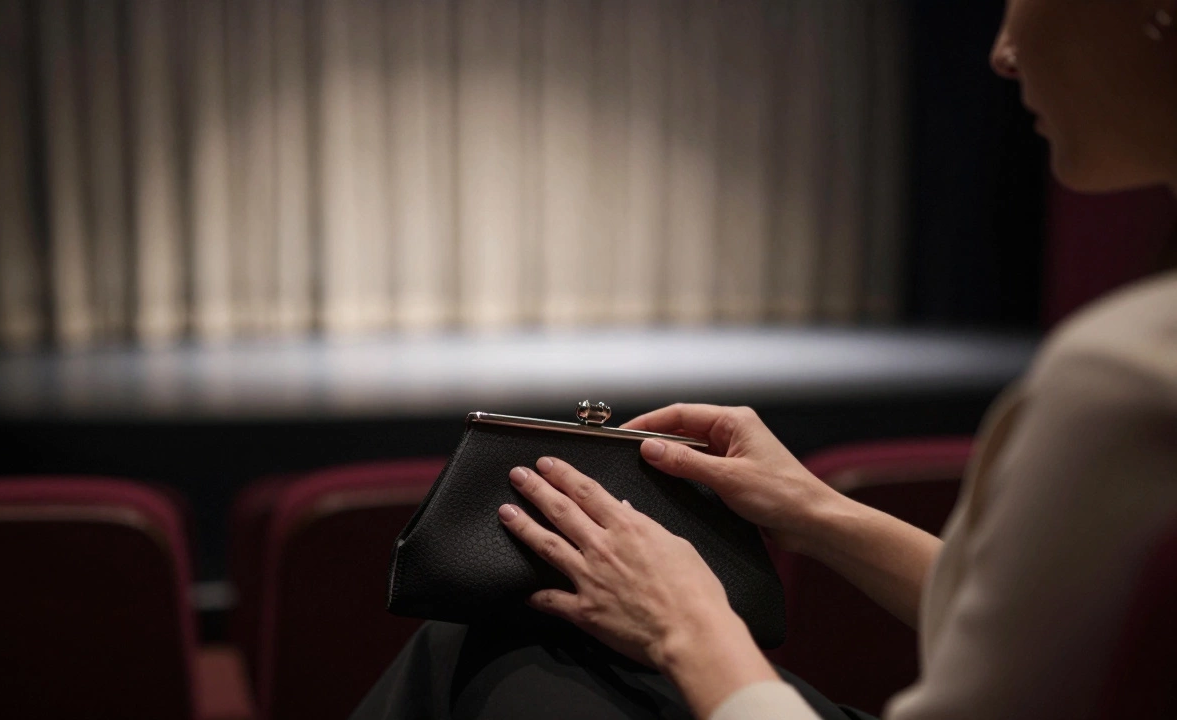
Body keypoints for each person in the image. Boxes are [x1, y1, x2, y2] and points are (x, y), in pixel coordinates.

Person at [353, 1, 1177, 717]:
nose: (1001, 50)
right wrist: (811, 509)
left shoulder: (1125, 376)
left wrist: (687, 626)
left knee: (485, 644)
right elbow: (1044, 638)